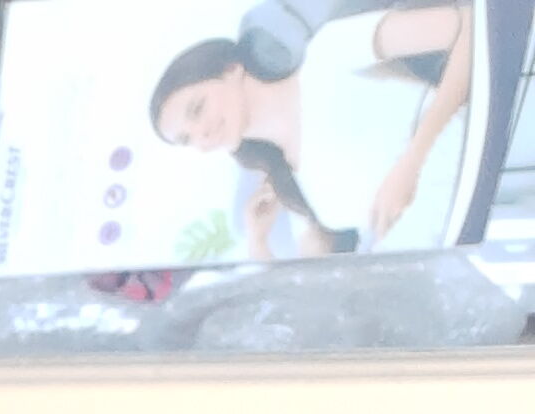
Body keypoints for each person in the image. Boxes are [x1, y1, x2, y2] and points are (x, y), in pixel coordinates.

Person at [151, 6, 476, 250]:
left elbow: (467, 23)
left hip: (490, 177)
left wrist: (412, 163)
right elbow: (315, 292)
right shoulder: (289, 182)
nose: (201, 135)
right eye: (186, 139)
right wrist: (257, 243)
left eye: (197, 109)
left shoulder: (328, 54)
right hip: (454, 261)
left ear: (231, 68)